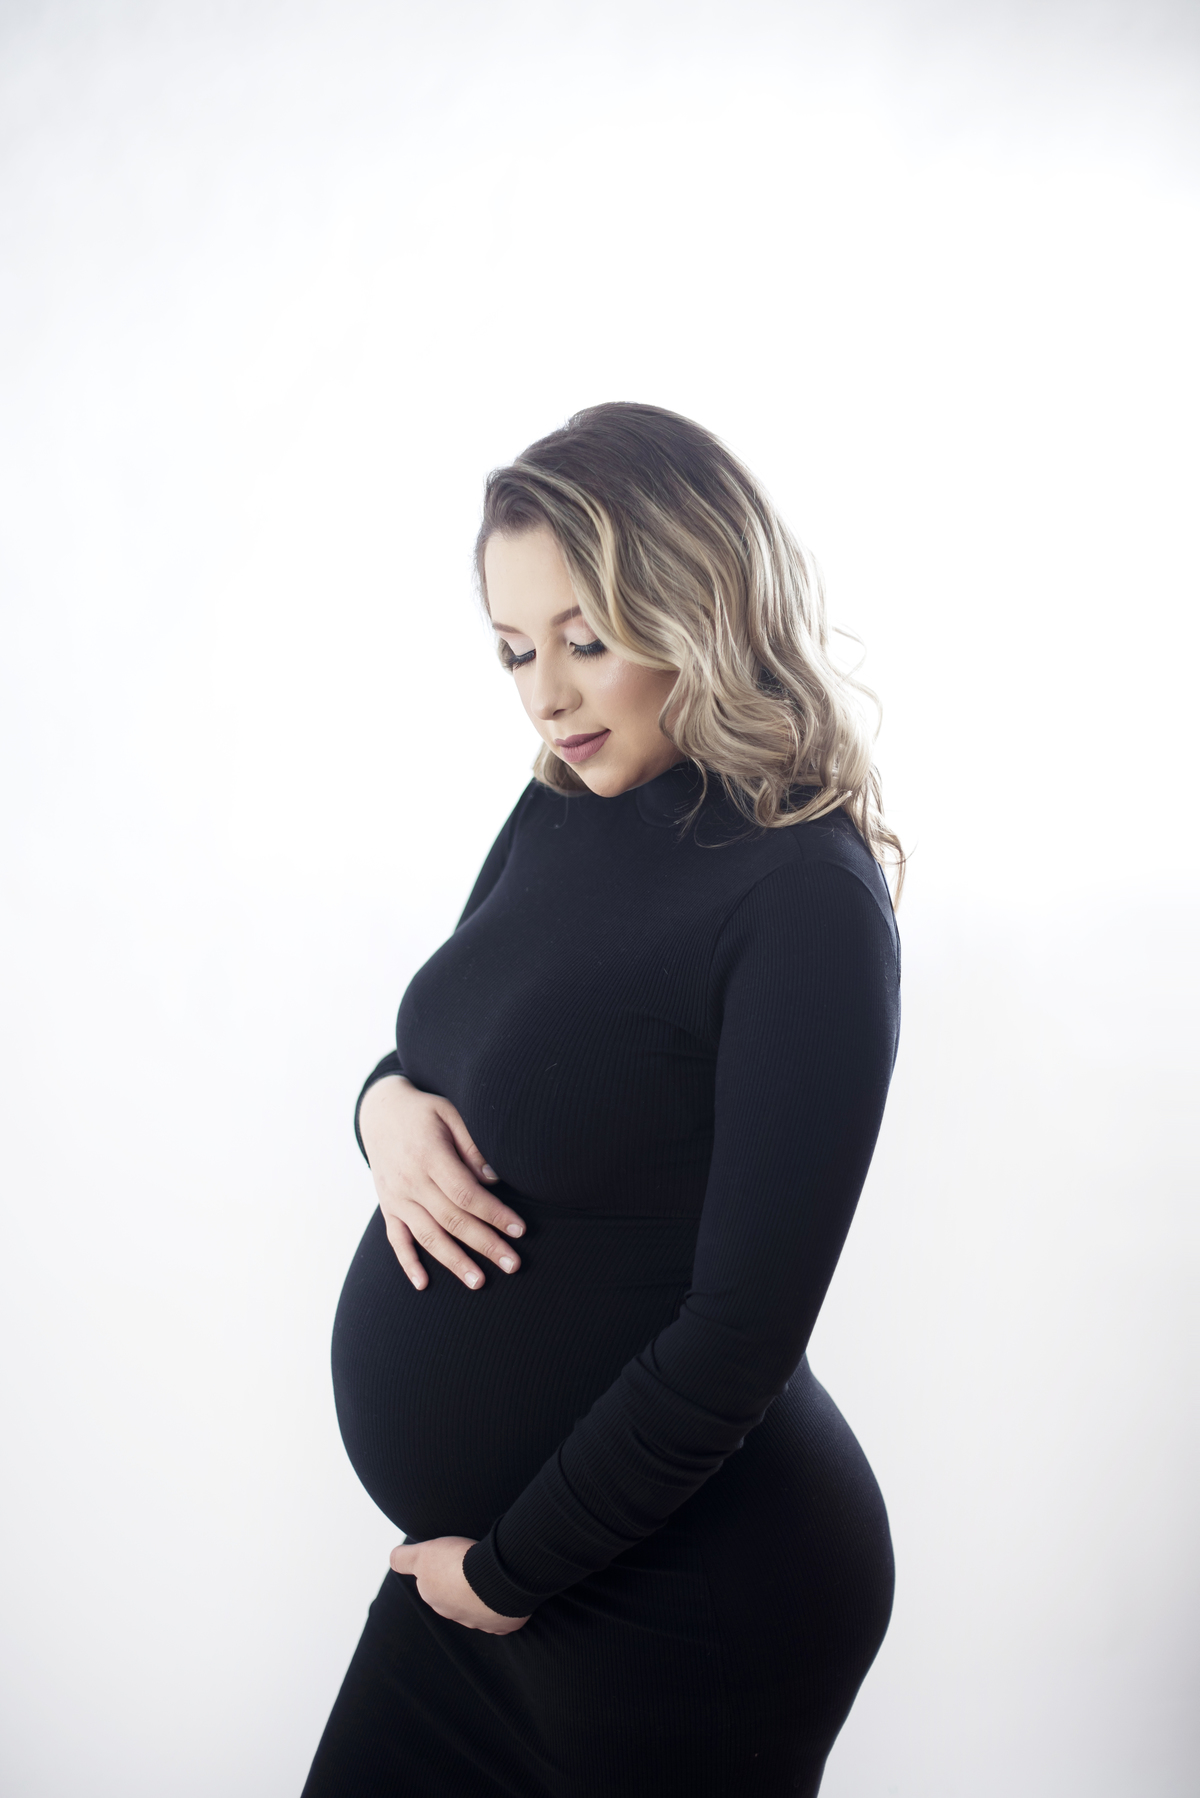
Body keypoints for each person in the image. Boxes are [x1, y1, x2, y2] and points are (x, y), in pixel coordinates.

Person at [302, 402, 904, 1798]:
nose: (548, 694)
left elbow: (744, 1331)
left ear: (700, 605)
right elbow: (438, 1042)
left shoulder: (803, 898)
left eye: (587, 638)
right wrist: (381, 1111)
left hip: (689, 1602)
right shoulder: (564, 801)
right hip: (488, 1580)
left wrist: (513, 1572)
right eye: (516, 650)